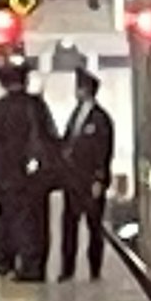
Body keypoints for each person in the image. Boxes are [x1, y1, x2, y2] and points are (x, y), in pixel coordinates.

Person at [0, 61, 56, 282]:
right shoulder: (37, 107)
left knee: (12, 220)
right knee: (36, 223)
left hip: (7, 180)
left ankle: (8, 261)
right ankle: (34, 265)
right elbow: (50, 141)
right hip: (35, 178)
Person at [56, 65, 117, 280]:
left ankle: (94, 268)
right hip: (72, 180)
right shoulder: (75, 116)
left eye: (79, 88)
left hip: (90, 180)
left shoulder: (101, 119)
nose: (77, 92)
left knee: (94, 227)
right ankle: (67, 268)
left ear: (87, 90)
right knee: (69, 226)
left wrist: (100, 178)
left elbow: (104, 150)